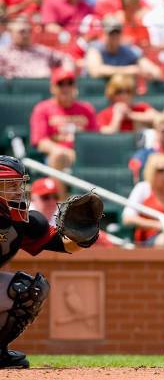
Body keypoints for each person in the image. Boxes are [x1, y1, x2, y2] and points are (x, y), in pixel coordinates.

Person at [0, 155, 99, 368]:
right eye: (9, 185)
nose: (18, 191)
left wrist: (82, 234)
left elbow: (63, 244)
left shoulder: (21, 221)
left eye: (19, 184)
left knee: (29, 289)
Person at [30, 68, 98, 170]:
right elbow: (41, 142)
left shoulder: (87, 109)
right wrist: (65, 152)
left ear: (75, 87)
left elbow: (95, 137)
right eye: (61, 84)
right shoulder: (42, 109)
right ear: (52, 88)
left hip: (85, 156)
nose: (65, 88)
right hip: (56, 157)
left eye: (69, 83)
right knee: (59, 156)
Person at [122, 153, 164, 246]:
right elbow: (127, 218)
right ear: (151, 171)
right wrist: (158, 225)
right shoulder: (143, 188)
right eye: (160, 170)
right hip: (149, 239)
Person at [85, 16, 162, 79]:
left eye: (117, 32)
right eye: (111, 33)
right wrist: (128, 70)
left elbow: (153, 70)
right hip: (96, 93)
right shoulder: (95, 48)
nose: (114, 36)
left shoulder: (127, 50)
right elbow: (95, 71)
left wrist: (149, 71)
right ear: (104, 33)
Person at [0, 17, 74, 79]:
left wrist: (65, 74)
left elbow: (66, 58)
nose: (26, 34)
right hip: (17, 93)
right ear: (10, 33)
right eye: (22, 32)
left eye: (29, 31)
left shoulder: (42, 51)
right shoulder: (3, 54)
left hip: (43, 89)